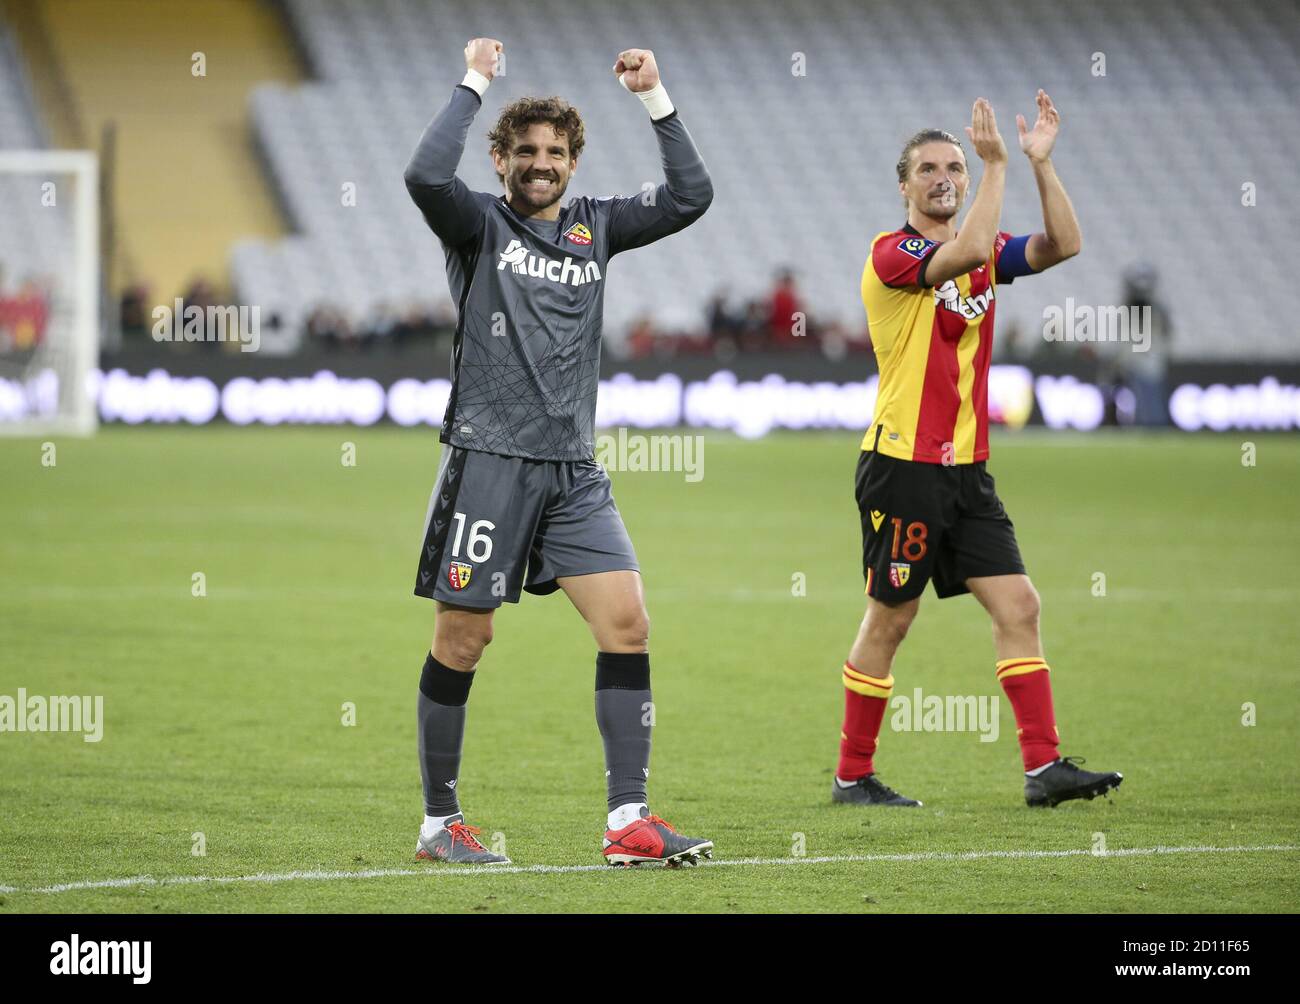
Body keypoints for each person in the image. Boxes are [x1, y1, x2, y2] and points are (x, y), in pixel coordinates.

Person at [403, 38, 714, 865]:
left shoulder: (598, 226)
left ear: (573, 162)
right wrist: (473, 79)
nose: (541, 165)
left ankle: (628, 823)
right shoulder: (477, 224)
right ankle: (440, 825)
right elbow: (425, 177)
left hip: (574, 471)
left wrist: (656, 97)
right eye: (525, 152)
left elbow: (692, 196)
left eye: (556, 153)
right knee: (464, 640)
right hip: (488, 461)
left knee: (628, 626)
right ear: (500, 159)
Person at [833, 92, 1122, 809]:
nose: (944, 177)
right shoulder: (892, 253)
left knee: (1019, 605)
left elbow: (1064, 245)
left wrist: (1038, 164)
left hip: (967, 469)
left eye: (954, 167)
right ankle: (851, 775)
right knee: (892, 617)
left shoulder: (985, 246)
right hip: (903, 467)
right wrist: (995, 167)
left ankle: (1044, 767)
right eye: (929, 168)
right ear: (903, 186)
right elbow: (961, 252)